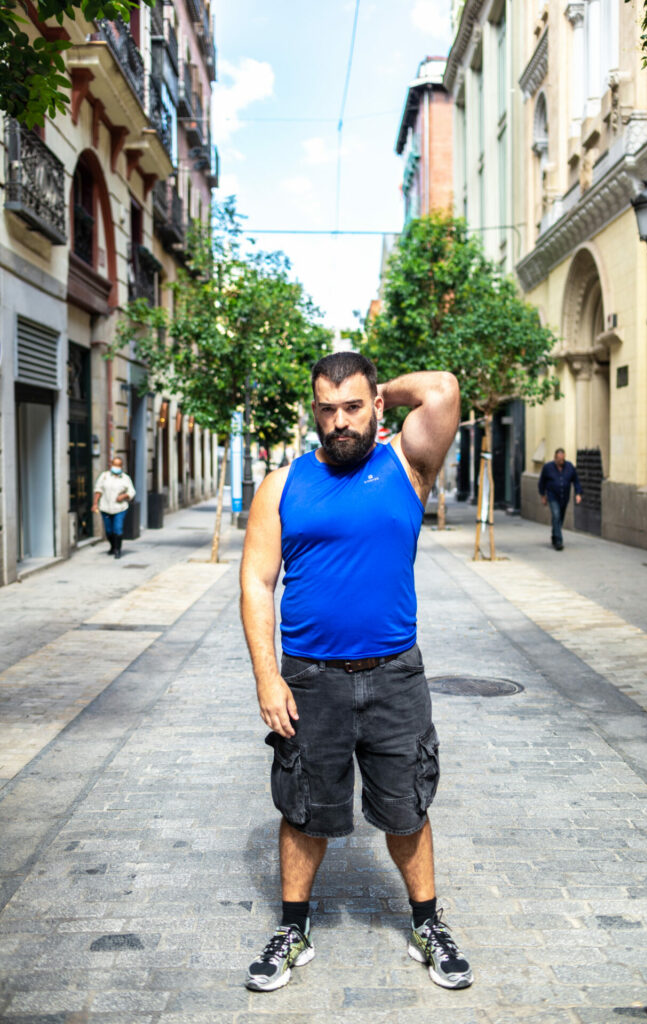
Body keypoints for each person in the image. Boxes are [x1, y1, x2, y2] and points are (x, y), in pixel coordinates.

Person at [240, 351, 473, 993]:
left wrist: (380, 395)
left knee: (407, 809)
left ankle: (427, 923)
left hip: (396, 675)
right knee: (304, 809)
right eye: (326, 409)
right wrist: (267, 676)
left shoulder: (406, 462)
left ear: (375, 407)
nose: (338, 421)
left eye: (351, 407)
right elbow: (257, 583)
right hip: (310, 679)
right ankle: (293, 928)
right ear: (312, 412)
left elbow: (444, 388)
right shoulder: (283, 485)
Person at [538, 447, 582, 550]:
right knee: (556, 515)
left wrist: (578, 493)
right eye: (559, 459)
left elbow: (576, 481)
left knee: (560, 518)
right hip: (552, 496)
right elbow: (542, 482)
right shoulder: (548, 467)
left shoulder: (570, 467)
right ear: (555, 458)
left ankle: (554, 535)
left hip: (564, 497)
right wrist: (543, 495)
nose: (561, 461)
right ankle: (558, 541)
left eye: (562, 459)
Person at [91, 457, 136, 559]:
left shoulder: (125, 478)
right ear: (111, 465)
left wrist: (124, 496)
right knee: (108, 530)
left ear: (121, 466)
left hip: (120, 508)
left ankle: (117, 550)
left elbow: (132, 492)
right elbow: (98, 490)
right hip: (105, 507)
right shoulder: (104, 476)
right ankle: (112, 546)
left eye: (118, 465)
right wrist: (95, 503)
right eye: (114, 464)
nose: (116, 467)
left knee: (117, 528)